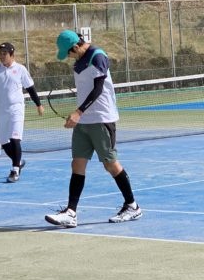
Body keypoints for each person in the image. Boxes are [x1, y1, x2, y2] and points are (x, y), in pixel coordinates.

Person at [45, 30, 142, 228]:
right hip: (83, 122)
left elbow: (98, 89)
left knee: (110, 165)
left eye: (68, 53)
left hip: (102, 119)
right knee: (77, 164)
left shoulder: (98, 56)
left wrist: (78, 112)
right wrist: (79, 115)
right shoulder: (78, 62)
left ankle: (133, 206)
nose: (69, 57)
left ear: (75, 47)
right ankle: (71, 213)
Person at [0, 42, 42, 183]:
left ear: (12, 55)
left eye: (4, 54)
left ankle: (15, 170)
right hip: (1, 110)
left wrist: (38, 104)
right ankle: (18, 162)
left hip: (17, 109)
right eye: (0, 53)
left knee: (15, 138)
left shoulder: (20, 69)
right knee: (4, 143)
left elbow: (30, 88)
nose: (2, 56)